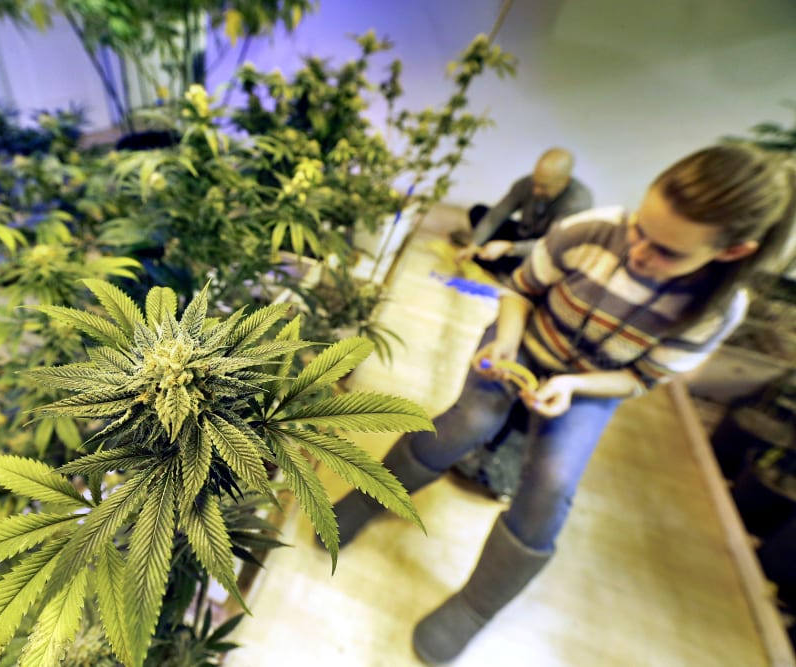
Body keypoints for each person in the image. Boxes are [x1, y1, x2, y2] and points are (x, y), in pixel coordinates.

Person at [327, 144, 795, 665]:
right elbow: (518, 291)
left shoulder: (718, 310)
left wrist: (573, 388)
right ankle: (371, 498)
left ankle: (476, 607)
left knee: (551, 485)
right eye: (640, 225)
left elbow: (639, 377)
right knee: (466, 423)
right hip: (520, 343)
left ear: (731, 252)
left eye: (667, 252)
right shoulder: (592, 229)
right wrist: (505, 341)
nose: (637, 251)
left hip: (591, 383)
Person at [451, 147, 594, 275]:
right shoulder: (527, 183)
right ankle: (487, 256)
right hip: (522, 234)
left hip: (542, 249)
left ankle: (496, 261)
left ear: (565, 180)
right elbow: (497, 214)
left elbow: (552, 245)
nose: (536, 191)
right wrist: (474, 243)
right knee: (478, 211)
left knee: (537, 267)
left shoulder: (578, 202)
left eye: (544, 187)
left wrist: (510, 248)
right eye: (535, 182)